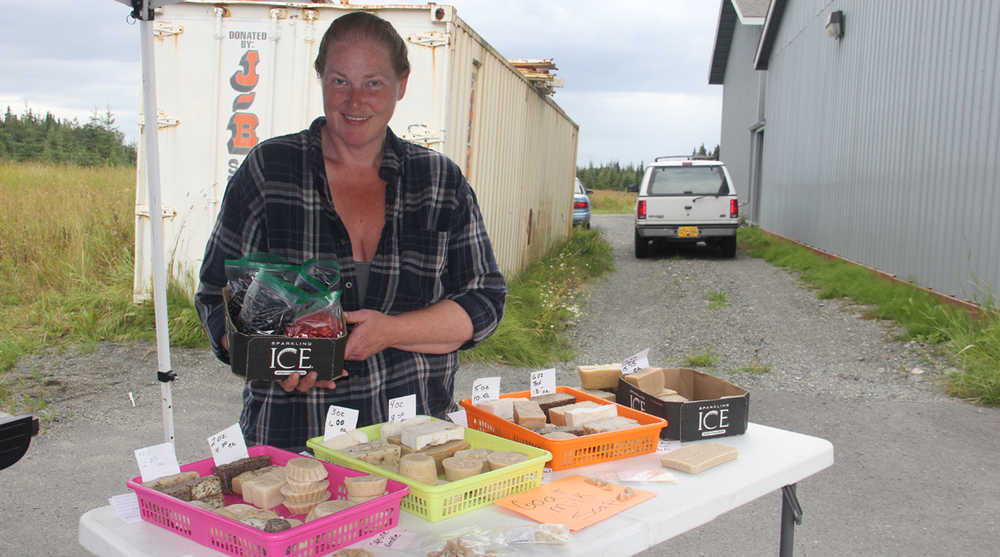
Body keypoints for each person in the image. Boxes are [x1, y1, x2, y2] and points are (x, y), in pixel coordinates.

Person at [195, 11, 506, 452]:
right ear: (321, 81)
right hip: (291, 440)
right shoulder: (270, 172)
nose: (355, 100)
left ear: (401, 84)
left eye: (373, 83)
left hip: (413, 446)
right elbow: (215, 296)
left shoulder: (439, 182)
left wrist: (390, 331)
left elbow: (484, 301)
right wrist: (273, 359)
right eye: (340, 81)